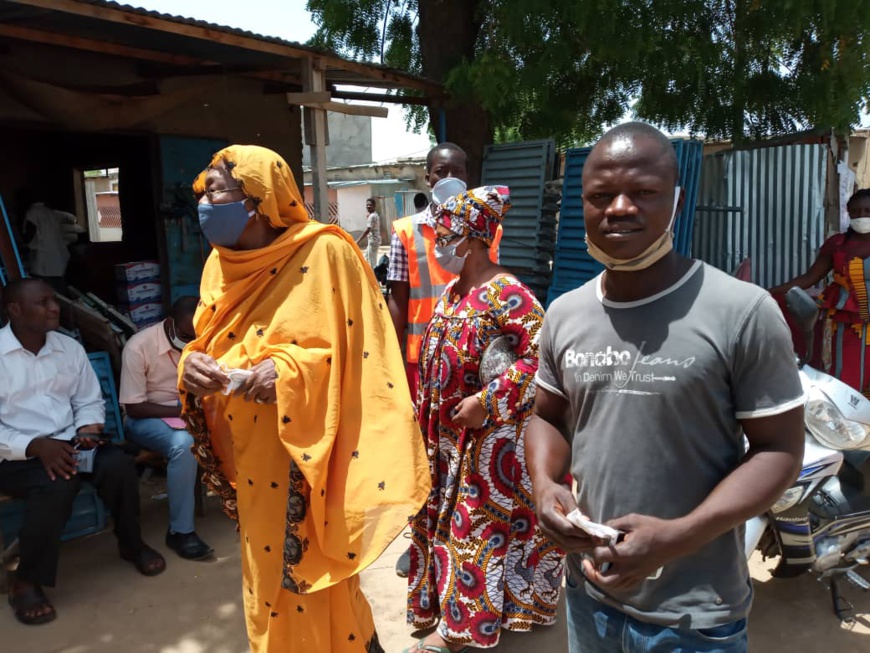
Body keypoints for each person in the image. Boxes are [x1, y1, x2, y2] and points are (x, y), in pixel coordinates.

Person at [526, 122, 806, 653]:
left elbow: (780, 450)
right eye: (601, 196)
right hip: (589, 596)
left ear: (676, 200)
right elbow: (547, 416)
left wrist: (678, 537)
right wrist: (544, 485)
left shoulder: (742, 312)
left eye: (643, 191)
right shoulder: (564, 314)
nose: (619, 208)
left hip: (693, 617)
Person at [178, 145, 429, 653]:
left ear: (258, 199)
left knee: (314, 570)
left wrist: (290, 371)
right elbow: (208, 340)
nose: (204, 204)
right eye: (202, 193)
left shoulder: (325, 252)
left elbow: (364, 352)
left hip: (310, 449)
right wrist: (191, 365)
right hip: (253, 454)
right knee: (266, 568)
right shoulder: (219, 265)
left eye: (216, 192)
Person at [406, 186, 564, 652]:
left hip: (490, 441)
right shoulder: (453, 293)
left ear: (473, 240)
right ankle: (460, 608)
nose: (438, 246)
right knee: (446, 522)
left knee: (475, 528)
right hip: (445, 440)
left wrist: (489, 401)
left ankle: (456, 633)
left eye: (445, 237)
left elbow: (542, 359)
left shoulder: (509, 294)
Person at [0, 278, 164, 626]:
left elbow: (88, 399)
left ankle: (130, 544)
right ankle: (25, 580)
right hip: (14, 455)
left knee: (118, 465)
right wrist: (35, 445)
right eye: (43, 303)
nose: (54, 308)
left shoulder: (68, 348)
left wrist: (88, 429)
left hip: (70, 442)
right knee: (57, 484)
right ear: (14, 310)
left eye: (53, 300)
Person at [388, 143, 502, 578]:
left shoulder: (489, 228)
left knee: (470, 447)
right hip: (422, 360)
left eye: (457, 171)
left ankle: (462, 531)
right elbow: (398, 299)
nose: (449, 178)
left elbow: (492, 287)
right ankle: (418, 536)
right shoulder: (406, 231)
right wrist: (392, 360)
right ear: (428, 177)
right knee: (421, 450)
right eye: (440, 171)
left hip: (473, 359)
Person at [119, 296, 213, 560]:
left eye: (196, 335)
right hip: (147, 417)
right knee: (184, 445)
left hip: (194, 411)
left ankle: (245, 507)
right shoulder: (139, 346)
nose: (191, 340)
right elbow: (134, 407)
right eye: (186, 335)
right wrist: (183, 412)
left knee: (243, 425)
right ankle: (181, 532)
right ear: (170, 323)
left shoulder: (205, 339)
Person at [770, 188, 870, 396]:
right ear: (849, 213)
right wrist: (765, 293)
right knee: (845, 375)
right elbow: (809, 278)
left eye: (867, 211)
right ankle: (846, 413)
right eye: (855, 211)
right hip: (845, 321)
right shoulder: (837, 244)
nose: (861, 216)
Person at [22, 201, 84, 291]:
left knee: (45, 289)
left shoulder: (33, 212)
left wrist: (27, 245)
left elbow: (30, 233)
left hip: (43, 263)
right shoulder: (52, 213)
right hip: (59, 262)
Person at [355, 197, 382, 269]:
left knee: (372, 262)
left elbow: (368, 230)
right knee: (366, 259)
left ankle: (374, 275)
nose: (368, 206)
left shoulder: (372, 216)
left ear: (374, 206)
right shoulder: (374, 214)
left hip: (373, 241)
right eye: (367, 205)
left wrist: (358, 240)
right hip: (374, 240)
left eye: (370, 205)